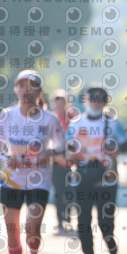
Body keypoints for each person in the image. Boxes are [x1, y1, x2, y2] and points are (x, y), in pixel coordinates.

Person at [0, 70, 65, 254]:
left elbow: (61, 147)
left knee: (32, 227)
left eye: (31, 86)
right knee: (12, 231)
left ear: (40, 92)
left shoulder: (49, 119)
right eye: (21, 86)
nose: (26, 90)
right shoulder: (7, 115)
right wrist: (7, 158)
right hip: (12, 180)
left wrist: (48, 154)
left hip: (38, 180)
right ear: (16, 90)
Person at [65, 86, 127, 254]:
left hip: (106, 179)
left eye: (99, 98)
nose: (95, 102)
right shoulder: (76, 123)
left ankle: (109, 238)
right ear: (85, 100)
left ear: (105, 101)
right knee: (83, 221)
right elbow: (68, 147)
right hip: (82, 178)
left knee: (105, 220)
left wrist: (114, 148)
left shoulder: (113, 123)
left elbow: (126, 145)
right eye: (91, 98)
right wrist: (71, 155)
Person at [49, 89, 75, 233]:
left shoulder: (73, 118)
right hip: (56, 158)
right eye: (56, 103)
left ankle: (68, 215)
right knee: (58, 191)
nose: (59, 106)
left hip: (71, 157)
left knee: (70, 190)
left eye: (62, 103)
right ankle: (60, 220)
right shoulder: (51, 118)